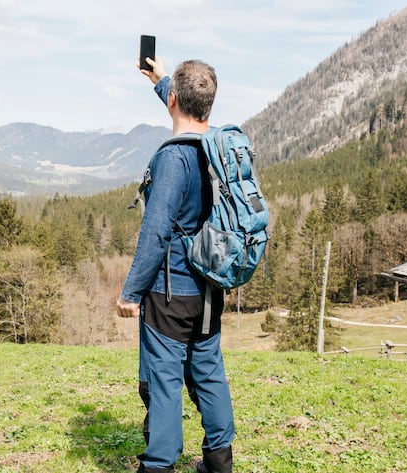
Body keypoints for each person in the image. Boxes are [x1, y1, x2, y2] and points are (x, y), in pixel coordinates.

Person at [116, 56, 235, 473]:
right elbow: (187, 101)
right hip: (210, 286)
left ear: (172, 100)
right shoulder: (218, 149)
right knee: (207, 371)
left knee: (164, 382)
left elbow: (156, 233)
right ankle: (219, 462)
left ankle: (159, 465)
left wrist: (131, 293)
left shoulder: (174, 158)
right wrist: (159, 79)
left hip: (171, 295)